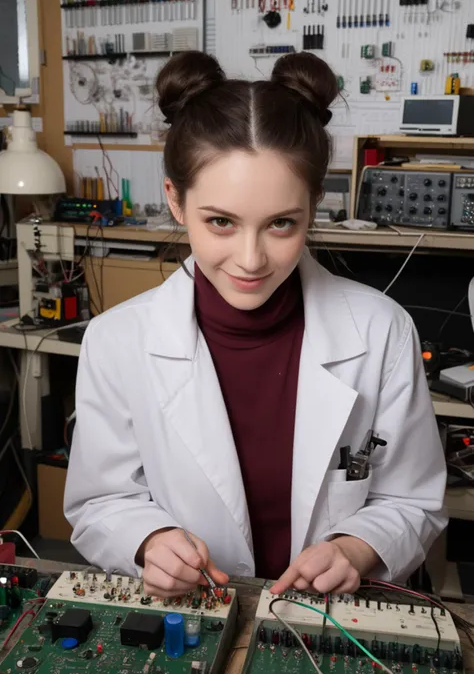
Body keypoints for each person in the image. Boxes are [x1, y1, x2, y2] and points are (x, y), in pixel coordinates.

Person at [64, 50, 447, 599]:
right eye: (221, 222)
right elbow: (100, 501)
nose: (250, 259)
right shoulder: (118, 341)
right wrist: (150, 539)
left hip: (331, 620)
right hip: (199, 615)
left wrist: (355, 549)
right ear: (175, 200)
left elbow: (412, 500)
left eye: (281, 224)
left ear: (314, 204)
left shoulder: (381, 331)